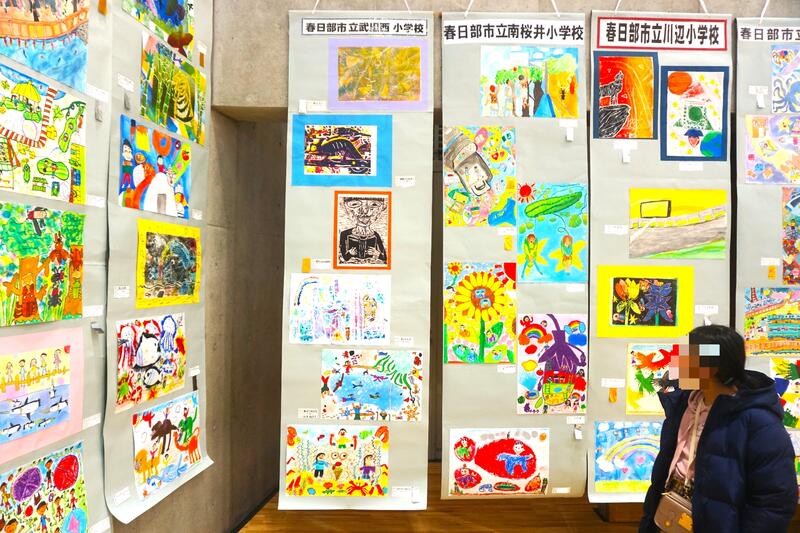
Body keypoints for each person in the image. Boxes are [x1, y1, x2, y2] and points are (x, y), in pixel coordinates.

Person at [640, 325, 798, 532]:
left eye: (687, 357)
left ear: (712, 367)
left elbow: (774, 502)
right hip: (668, 517)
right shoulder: (683, 405)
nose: (677, 363)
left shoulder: (759, 422)